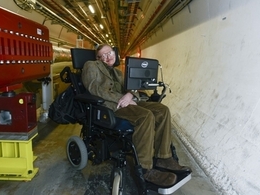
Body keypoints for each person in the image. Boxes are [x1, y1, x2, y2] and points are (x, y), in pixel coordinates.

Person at [81, 43, 190, 187]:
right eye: (104, 55)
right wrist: (121, 99)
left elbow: (132, 88)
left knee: (162, 111)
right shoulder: (91, 65)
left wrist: (129, 94)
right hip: (112, 106)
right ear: (98, 58)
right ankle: (145, 169)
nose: (108, 57)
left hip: (127, 102)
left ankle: (164, 157)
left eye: (110, 53)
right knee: (145, 116)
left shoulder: (118, 72)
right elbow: (93, 89)